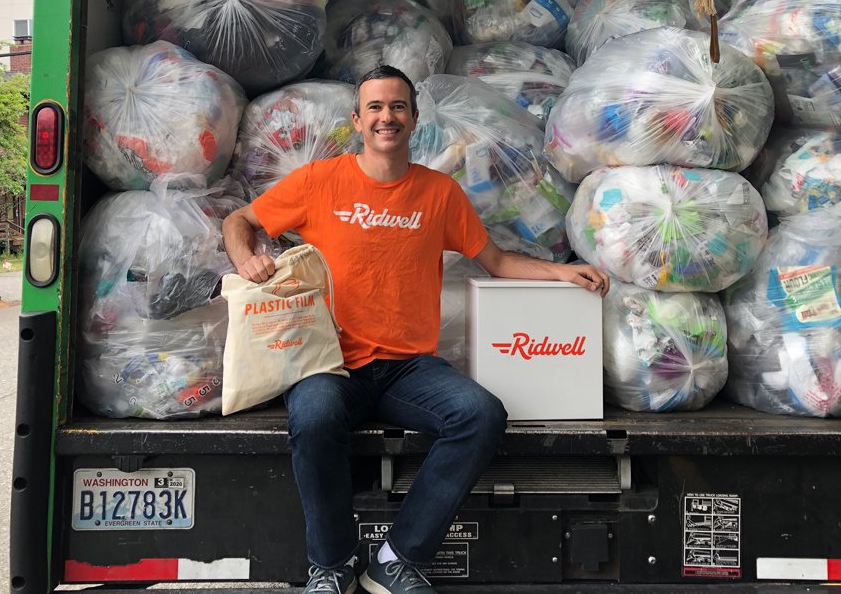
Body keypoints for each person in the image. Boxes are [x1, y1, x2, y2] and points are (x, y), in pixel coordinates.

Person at [223, 65, 610, 594]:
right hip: (330, 363)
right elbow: (238, 222)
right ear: (357, 121)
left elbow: (494, 260)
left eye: (398, 107)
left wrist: (563, 271)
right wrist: (247, 261)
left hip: (409, 368)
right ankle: (332, 564)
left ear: (414, 118)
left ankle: (397, 558)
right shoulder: (319, 181)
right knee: (312, 416)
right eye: (376, 108)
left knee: (481, 415)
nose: (388, 117)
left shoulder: (440, 193)